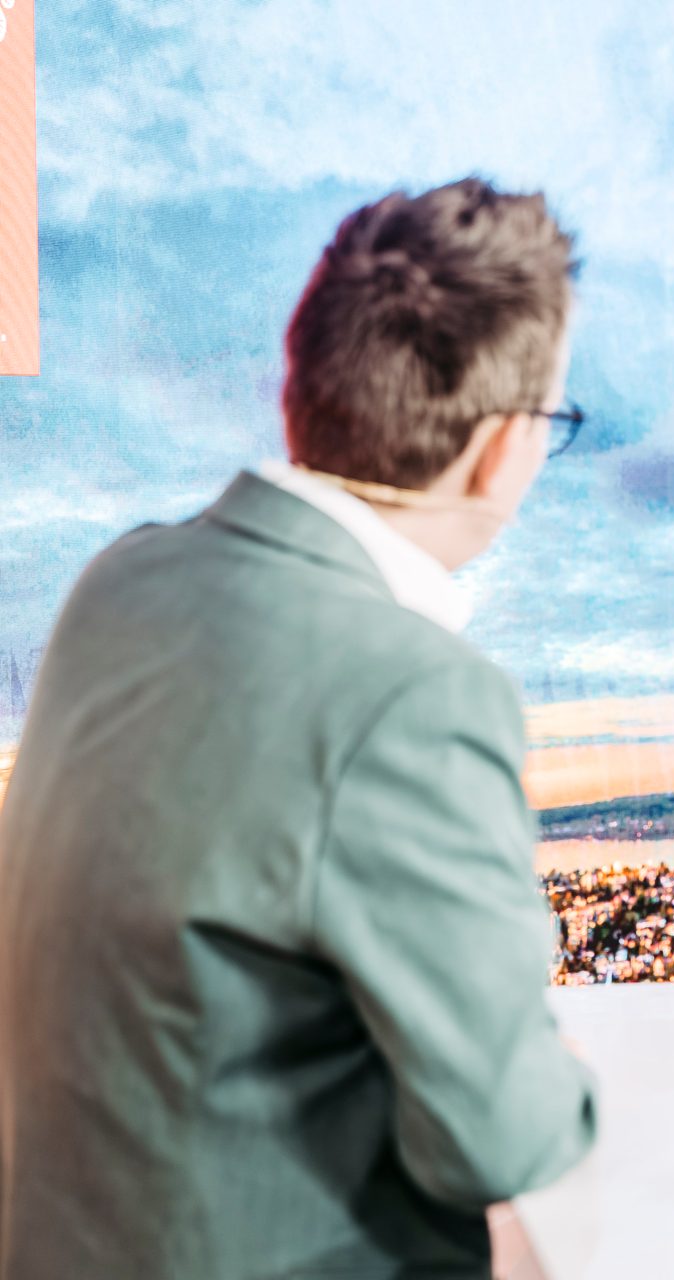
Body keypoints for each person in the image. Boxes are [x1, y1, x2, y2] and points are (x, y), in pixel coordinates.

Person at [0, 178, 595, 1278]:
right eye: (554, 421)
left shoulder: (119, 579)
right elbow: (509, 1133)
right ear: (500, 448)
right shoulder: (417, 688)